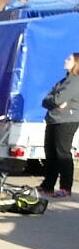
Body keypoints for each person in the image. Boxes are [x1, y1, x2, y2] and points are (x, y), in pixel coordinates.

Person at [39, 52, 79, 199]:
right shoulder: (63, 81)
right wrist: (54, 101)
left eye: (69, 59)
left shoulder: (76, 81)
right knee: (50, 153)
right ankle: (48, 185)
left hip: (67, 120)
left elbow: (58, 99)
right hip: (53, 119)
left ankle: (65, 188)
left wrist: (55, 100)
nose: (65, 60)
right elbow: (47, 100)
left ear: (76, 63)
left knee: (62, 153)